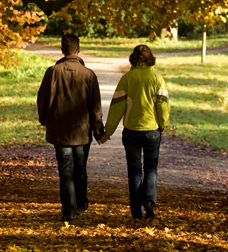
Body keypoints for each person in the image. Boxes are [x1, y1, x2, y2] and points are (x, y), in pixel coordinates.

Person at [37, 34, 105, 221]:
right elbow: (95, 107)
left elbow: (42, 100)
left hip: (60, 131)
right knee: (80, 168)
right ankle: (81, 203)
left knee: (65, 169)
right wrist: (98, 130)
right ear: (78, 50)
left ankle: (69, 209)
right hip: (82, 132)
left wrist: (44, 119)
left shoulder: (52, 72)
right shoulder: (89, 75)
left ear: (62, 50)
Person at [99, 44, 170, 220]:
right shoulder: (158, 79)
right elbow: (163, 105)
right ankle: (150, 201)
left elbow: (117, 107)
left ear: (134, 59)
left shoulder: (127, 79)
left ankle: (136, 212)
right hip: (152, 130)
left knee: (135, 172)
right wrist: (162, 124)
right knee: (151, 169)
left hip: (131, 131)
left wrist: (108, 132)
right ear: (150, 59)